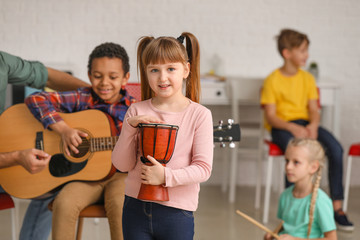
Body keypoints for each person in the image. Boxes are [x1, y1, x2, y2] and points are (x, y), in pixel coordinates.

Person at [25, 42, 136, 240]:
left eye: (113, 77)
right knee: (64, 203)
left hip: (121, 177)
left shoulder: (136, 109)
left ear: (125, 78)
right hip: (86, 179)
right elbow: (35, 99)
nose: (104, 83)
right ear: (89, 74)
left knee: (121, 206)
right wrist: (64, 130)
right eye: (97, 76)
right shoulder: (82, 97)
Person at [111, 32, 213, 240]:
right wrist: (130, 129)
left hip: (177, 213)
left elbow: (203, 169)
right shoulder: (136, 110)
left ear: (186, 69)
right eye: (154, 70)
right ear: (146, 73)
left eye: (171, 69)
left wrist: (166, 177)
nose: (162, 77)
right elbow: (121, 165)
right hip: (134, 209)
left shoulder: (199, 114)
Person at [260, 29, 353, 231]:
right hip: (283, 127)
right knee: (293, 152)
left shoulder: (307, 79)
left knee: (336, 149)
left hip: (305, 124)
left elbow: (313, 110)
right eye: (302, 51)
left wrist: (312, 125)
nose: (306, 55)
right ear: (287, 53)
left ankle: (338, 208)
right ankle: (291, 211)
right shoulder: (272, 80)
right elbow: (272, 117)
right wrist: (291, 127)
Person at [0, 50, 90, 240]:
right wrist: (15, 157)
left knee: (57, 181)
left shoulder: (2, 61)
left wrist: (98, 96)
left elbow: (48, 77)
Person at [264, 138, 337, 240]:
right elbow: (286, 223)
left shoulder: (321, 201)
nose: (288, 167)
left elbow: (332, 238)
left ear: (313, 167)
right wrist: (273, 233)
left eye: (296, 162)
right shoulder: (285, 195)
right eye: (287, 161)